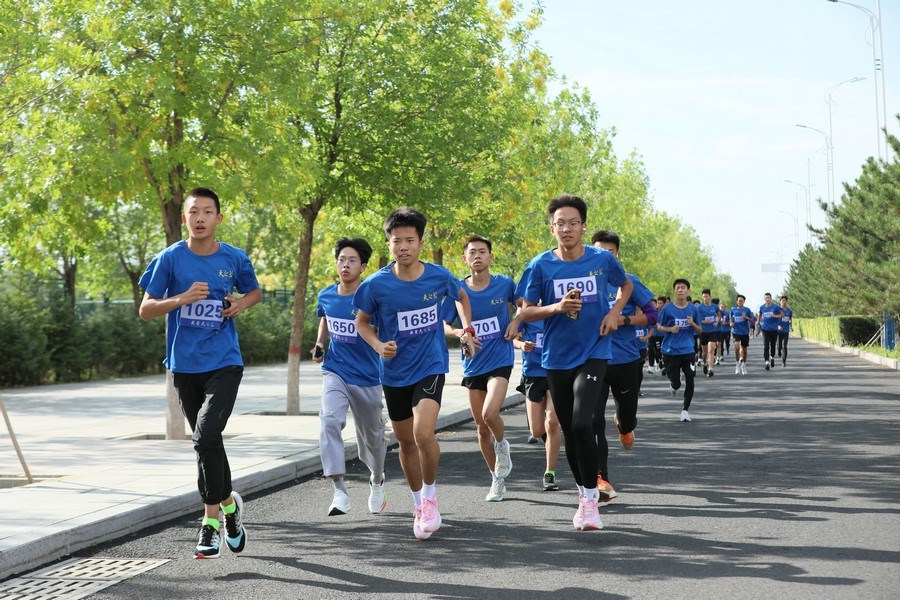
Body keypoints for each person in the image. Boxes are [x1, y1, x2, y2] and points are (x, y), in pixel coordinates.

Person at [139, 187, 261, 559]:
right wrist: (182, 298)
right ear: (185, 217)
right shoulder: (170, 258)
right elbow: (146, 309)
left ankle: (209, 523)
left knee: (206, 434)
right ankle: (229, 507)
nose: (200, 218)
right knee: (207, 442)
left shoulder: (234, 257)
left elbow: (254, 292)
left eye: (208, 211)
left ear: (218, 218)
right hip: (184, 366)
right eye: (194, 211)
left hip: (224, 362)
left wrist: (239, 303)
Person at [354, 207, 476, 541]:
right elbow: (362, 323)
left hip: (430, 364)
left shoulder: (438, 276)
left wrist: (466, 328)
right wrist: (379, 345)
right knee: (406, 442)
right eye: (397, 241)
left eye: (410, 240)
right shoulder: (376, 284)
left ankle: (431, 497)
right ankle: (418, 502)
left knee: (423, 433)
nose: (403, 246)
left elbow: (461, 296)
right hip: (394, 372)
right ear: (389, 244)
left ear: (421, 243)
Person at [521, 194, 634, 532]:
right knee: (570, 431)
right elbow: (525, 311)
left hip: (594, 352)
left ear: (583, 226)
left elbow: (625, 285)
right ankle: (585, 495)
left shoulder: (601, 260)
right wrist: (556, 307)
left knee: (584, 422)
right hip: (556, 358)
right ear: (551, 228)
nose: (567, 229)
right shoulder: (540, 265)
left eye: (573, 223)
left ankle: (592, 499)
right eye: (560, 223)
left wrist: (614, 312)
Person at [312, 238, 387, 517]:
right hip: (336, 371)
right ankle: (340, 492)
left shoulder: (371, 299)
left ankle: (377, 479)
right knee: (329, 420)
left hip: (368, 377)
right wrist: (320, 343)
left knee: (373, 440)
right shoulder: (327, 295)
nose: (345, 265)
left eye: (352, 260)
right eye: (341, 259)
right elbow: (325, 318)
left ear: (363, 266)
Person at [442, 235, 518, 502]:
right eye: (472, 252)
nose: (477, 256)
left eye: (482, 251)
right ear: (465, 259)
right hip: (473, 364)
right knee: (481, 428)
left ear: (491, 257)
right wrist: (460, 333)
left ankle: (502, 445)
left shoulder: (504, 284)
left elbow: (525, 305)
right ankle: (496, 480)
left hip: (500, 359)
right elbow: (443, 324)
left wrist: (517, 321)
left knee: (489, 414)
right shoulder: (457, 290)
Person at [590, 230, 657, 502]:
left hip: (626, 360)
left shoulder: (629, 282)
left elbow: (652, 315)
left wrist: (624, 320)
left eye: (610, 252)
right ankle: (600, 479)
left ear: (617, 256)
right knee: (593, 421)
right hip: (593, 360)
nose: (605, 257)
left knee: (628, 417)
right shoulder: (584, 283)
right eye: (599, 252)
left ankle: (624, 425)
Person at [512, 285, 562, 492]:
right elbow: (513, 338)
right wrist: (522, 345)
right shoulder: (527, 313)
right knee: (537, 430)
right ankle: (550, 442)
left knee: (552, 422)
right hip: (533, 372)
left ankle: (550, 472)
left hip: (556, 371)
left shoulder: (559, 309)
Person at [657, 279, 702, 422]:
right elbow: (659, 327)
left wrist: (692, 323)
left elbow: (700, 330)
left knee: (690, 378)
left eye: (683, 287)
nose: (681, 290)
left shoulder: (694, 310)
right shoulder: (667, 309)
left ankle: (685, 410)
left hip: (688, 350)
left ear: (688, 291)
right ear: (674, 291)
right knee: (676, 383)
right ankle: (674, 385)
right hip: (670, 351)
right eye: (678, 288)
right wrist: (670, 329)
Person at [756, 292, 784, 371]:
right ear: (764, 299)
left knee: (773, 345)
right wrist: (758, 321)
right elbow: (760, 314)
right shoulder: (762, 307)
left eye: (769, 298)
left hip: (774, 329)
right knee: (766, 346)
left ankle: (772, 357)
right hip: (765, 329)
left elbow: (782, 315)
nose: (767, 299)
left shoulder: (775, 307)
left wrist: (775, 316)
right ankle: (767, 362)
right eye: (766, 298)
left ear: (771, 298)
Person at [729, 295, 755, 375]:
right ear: (736, 301)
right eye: (739, 301)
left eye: (741, 301)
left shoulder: (747, 310)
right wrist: (731, 322)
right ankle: (737, 364)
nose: (740, 302)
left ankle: (743, 365)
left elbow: (752, 320)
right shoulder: (733, 309)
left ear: (744, 302)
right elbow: (731, 317)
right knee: (737, 347)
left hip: (744, 332)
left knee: (744, 350)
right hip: (736, 331)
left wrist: (746, 317)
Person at [697, 289, 720, 378]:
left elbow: (718, 315)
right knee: (704, 352)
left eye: (706, 296)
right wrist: (703, 321)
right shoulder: (699, 307)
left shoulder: (714, 307)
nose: (705, 298)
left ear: (710, 296)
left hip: (712, 331)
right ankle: (705, 364)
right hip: (703, 331)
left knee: (711, 350)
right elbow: (696, 319)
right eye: (703, 297)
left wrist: (716, 322)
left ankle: (710, 369)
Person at [648, 297, 667, 375]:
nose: (659, 305)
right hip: (655, 335)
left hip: (664, 335)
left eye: (661, 303)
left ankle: (664, 365)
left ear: (664, 304)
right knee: (656, 350)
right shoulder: (654, 311)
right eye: (658, 303)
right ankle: (657, 364)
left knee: (663, 351)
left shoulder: (666, 312)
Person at [776, 295, 794, 367]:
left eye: (785, 300)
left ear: (786, 302)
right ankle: (779, 350)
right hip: (778, 331)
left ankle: (784, 361)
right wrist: (778, 326)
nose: (784, 302)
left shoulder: (789, 311)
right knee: (779, 346)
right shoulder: (777, 310)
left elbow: (790, 319)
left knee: (784, 346)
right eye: (782, 300)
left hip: (786, 331)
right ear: (780, 302)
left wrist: (791, 326)